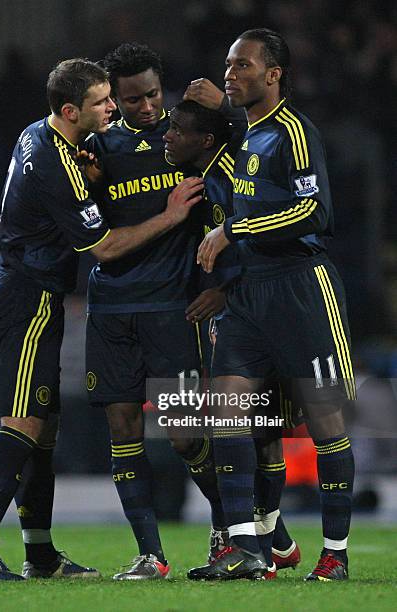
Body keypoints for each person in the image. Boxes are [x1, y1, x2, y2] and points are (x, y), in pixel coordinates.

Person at [0, 58, 203, 581]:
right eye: (102, 102)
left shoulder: (37, 134)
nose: (113, 107)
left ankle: (39, 554)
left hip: (12, 290)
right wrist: (171, 216)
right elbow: (106, 248)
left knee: (42, 434)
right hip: (27, 299)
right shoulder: (59, 166)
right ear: (71, 109)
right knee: (22, 427)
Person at [188, 28, 355, 582]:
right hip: (247, 296)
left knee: (327, 420)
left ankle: (335, 553)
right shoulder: (250, 135)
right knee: (225, 411)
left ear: (273, 74)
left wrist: (232, 230)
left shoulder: (294, 131)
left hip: (301, 288)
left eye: (241, 65)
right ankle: (246, 549)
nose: (230, 74)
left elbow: (315, 213)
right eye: (228, 64)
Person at [83, 42, 225, 580]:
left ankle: (227, 529)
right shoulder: (98, 151)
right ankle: (151, 554)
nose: (146, 107)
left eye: (152, 94)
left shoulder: (188, 138)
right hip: (113, 308)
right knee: (123, 431)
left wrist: (223, 287)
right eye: (133, 99)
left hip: (172, 310)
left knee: (187, 436)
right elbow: (86, 223)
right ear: (113, 99)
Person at [164, 99, 301, 578]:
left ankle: (256, 538)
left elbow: (258, 234)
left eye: (177, 129)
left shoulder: (231, 172)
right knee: (193, 432)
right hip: (200, 315)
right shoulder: (196, 173)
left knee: (261, 432)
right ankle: (267, 538)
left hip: (258, 310)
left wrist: (224, 289)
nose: (167, 134)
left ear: (204, 139)